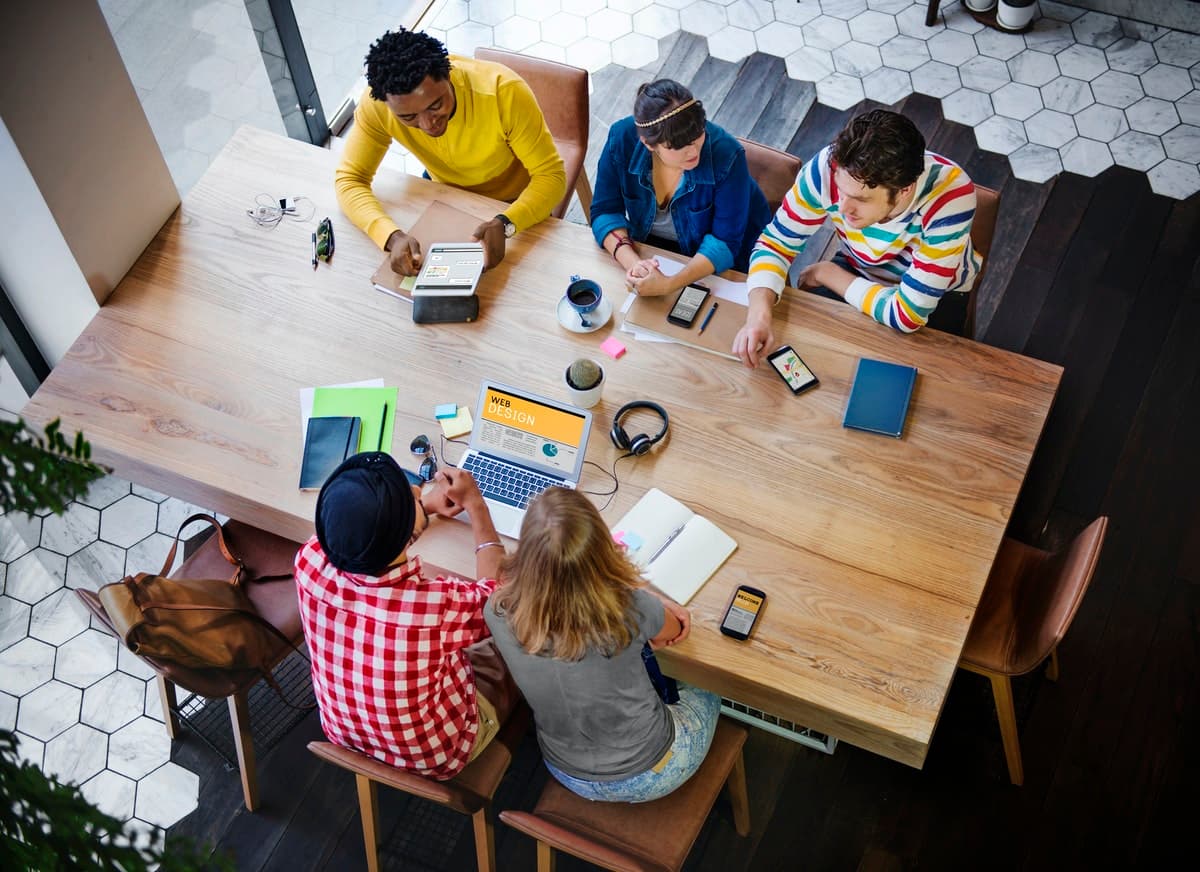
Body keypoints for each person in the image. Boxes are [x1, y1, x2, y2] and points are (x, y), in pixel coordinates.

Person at [484, 487, 721, 803]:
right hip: (652, 770)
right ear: (602, 550)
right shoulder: (628, 607)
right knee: (712, 683)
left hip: (562, 766)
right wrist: (644, 595)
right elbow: (673, 632)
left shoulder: (497, 610)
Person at [295, 452, 518, 780]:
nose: (418, 490)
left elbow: (363, 537)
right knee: (512, 637)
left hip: (345, 733)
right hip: (440, 755)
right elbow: (496, 595)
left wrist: (422, 509)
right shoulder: (433, 607)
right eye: (412, 492)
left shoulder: (308, 561)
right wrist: (476, 506)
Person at [733, 109, 980, 367]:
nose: (842, 208)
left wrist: (828, 273)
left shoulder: (951, 195)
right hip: (860, 267)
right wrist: (758, 317)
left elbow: (908, 316)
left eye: (861, 200)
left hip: (938, 295)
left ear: (904, 191)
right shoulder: (827, 168)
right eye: (841, 191)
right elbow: (775, 244)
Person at [335, 29, 566, 276]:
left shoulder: (503, 92)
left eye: (436, 105)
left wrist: (507, 223)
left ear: (449, 75)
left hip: (514, 201)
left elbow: (551, 177)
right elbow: (350, 180)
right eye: (408, 117)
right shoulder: (378, 106)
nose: (427, 125)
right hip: (444, 196)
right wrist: (390, 236)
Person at [590, 79, 772, 296]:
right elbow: (605, 211)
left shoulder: (728, 154)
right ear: (648, 144)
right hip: (651, 251)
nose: (693, 151)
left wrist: (669, 285)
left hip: (726, 264)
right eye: (677, 146)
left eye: (697, 137)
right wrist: (634, 265)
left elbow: (724, 243)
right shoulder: (621, 138)